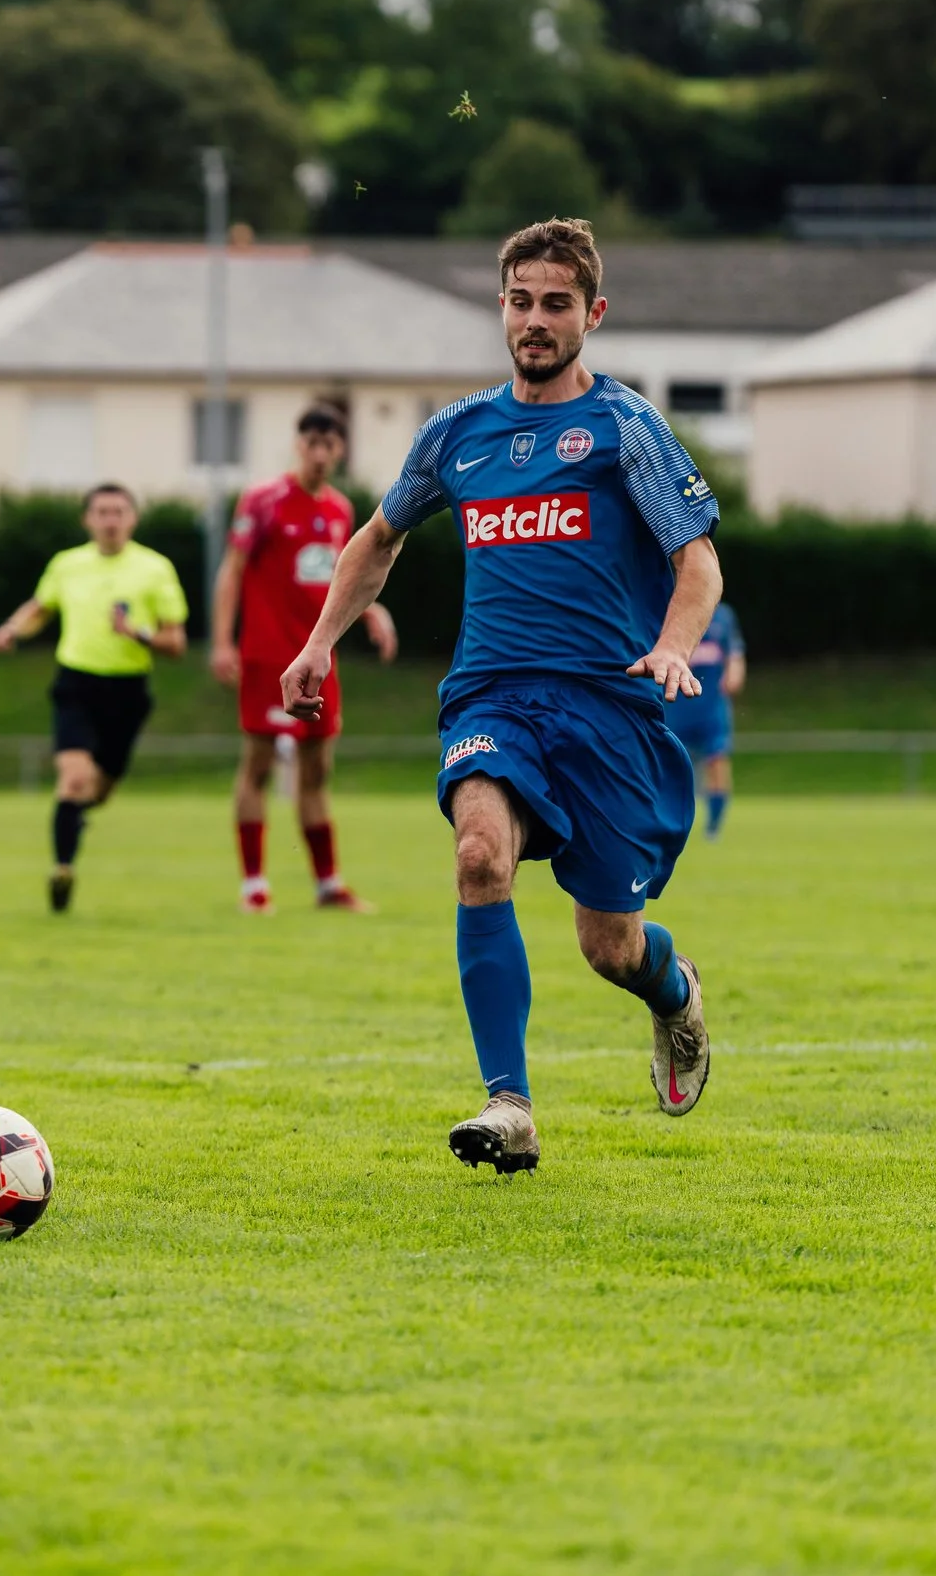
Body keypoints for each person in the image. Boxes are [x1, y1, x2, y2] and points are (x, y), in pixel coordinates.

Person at [280, 217, 724, 1176]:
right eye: (520, 300)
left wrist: (674, 646)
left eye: (556, 303)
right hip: (492, 697)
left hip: (608, 710)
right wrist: (320, 641)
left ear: (591, 314)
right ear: (502, 306)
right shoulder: (458, 432)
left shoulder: (623, 427)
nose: (534, 319)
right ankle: (508, 1103)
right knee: (479, 855)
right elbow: (378, 537)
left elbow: (698, 562)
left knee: (609, 946)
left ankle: (672, 988)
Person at [211, 402, 400, 912]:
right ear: (299, 445)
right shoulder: (262, 501)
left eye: (329, 445)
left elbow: (341, 580)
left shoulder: (339, 509)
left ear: (340, 450)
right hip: (268, 655)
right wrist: (222, 641)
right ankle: (253, 885)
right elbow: (231, 572)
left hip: (319, 657)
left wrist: (370, 612)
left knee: (318, 771)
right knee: (259, 764)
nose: (319, 454)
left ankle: (327, 885)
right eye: (311, 444)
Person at [0, 485, 190, 913]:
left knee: (97, 792)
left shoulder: (155, 569)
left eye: (119, 511)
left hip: (128, 691)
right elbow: (40, 608)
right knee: (74, 781)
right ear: (88, 520)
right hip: (76, 684)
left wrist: (137, 633)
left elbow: (176, 643)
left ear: (133, 519)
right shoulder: (67, 564)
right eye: (102, 512)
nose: (111, 520)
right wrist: (12, 628)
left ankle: (77, 818)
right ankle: (63, 870)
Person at [668, 604, 746, 839]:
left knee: (717, 762)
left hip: (712, 707)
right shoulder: (668, 608)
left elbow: (734, 652)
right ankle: (671, 825)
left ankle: (713, 826)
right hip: (675, 705)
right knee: (670, 768)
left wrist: (735, 673)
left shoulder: (722, 615)